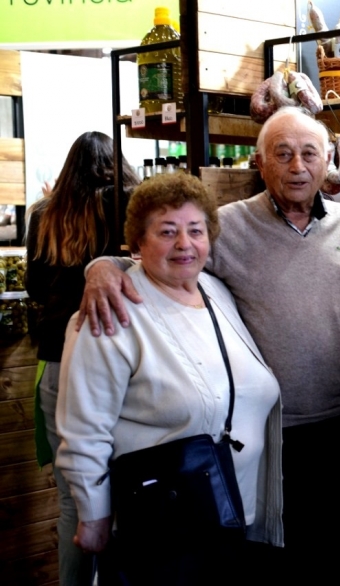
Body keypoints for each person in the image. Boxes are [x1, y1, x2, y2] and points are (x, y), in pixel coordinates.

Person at [78, 106, 340, 577]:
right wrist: (101, 267)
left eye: (309, 153)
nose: (297, 166)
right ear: (259, 163)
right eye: (282, 154)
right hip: (269, 433)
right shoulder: (227, 226)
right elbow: (167, 257)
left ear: (329, 161)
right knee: (275, 562)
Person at [54, 173, 283, 584]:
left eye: (195, 231)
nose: (184, 244)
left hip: (235, 514)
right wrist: (94, 515)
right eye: (167, 231)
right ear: (137, 242)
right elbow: (85, 430)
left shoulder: (216, 292)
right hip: (163, 524)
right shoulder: (111, 312)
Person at [25, 131, 139, 586]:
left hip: (56, 356)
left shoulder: (44, 214)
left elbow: (35, 287)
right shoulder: (127, 202)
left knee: (76, 500)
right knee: (127, 491)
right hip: (114, 354)